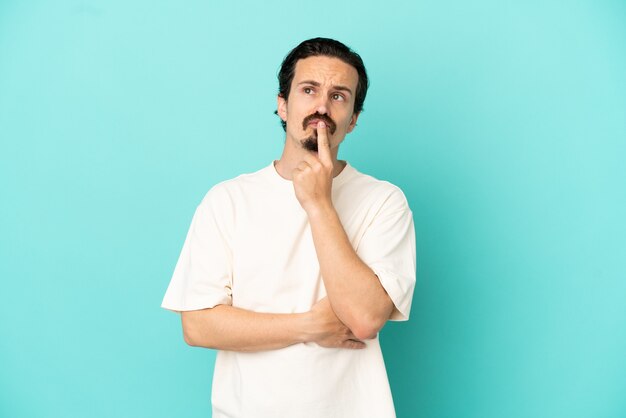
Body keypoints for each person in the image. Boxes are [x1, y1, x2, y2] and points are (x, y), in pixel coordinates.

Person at [162, 37, 416, 418]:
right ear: (283, 104)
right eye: (309, 90)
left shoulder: (384, 201)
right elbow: (198, 325)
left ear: (355, 117)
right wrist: (309, 326)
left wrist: (318, 203)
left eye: (339, 96)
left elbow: (364, 318)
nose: (321, 107)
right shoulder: (228, 200)